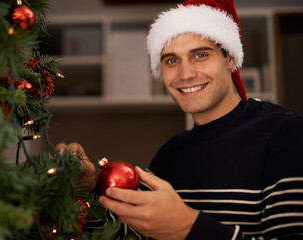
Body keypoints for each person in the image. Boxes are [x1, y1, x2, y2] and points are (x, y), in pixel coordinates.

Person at [56, 0, 303, 239]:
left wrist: (187, 227)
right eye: (172, 60)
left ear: (229, 58)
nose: (185, 74)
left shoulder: (286, 134)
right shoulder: (170, 154)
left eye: (200, 55)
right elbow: (126, 234)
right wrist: (87, 191)